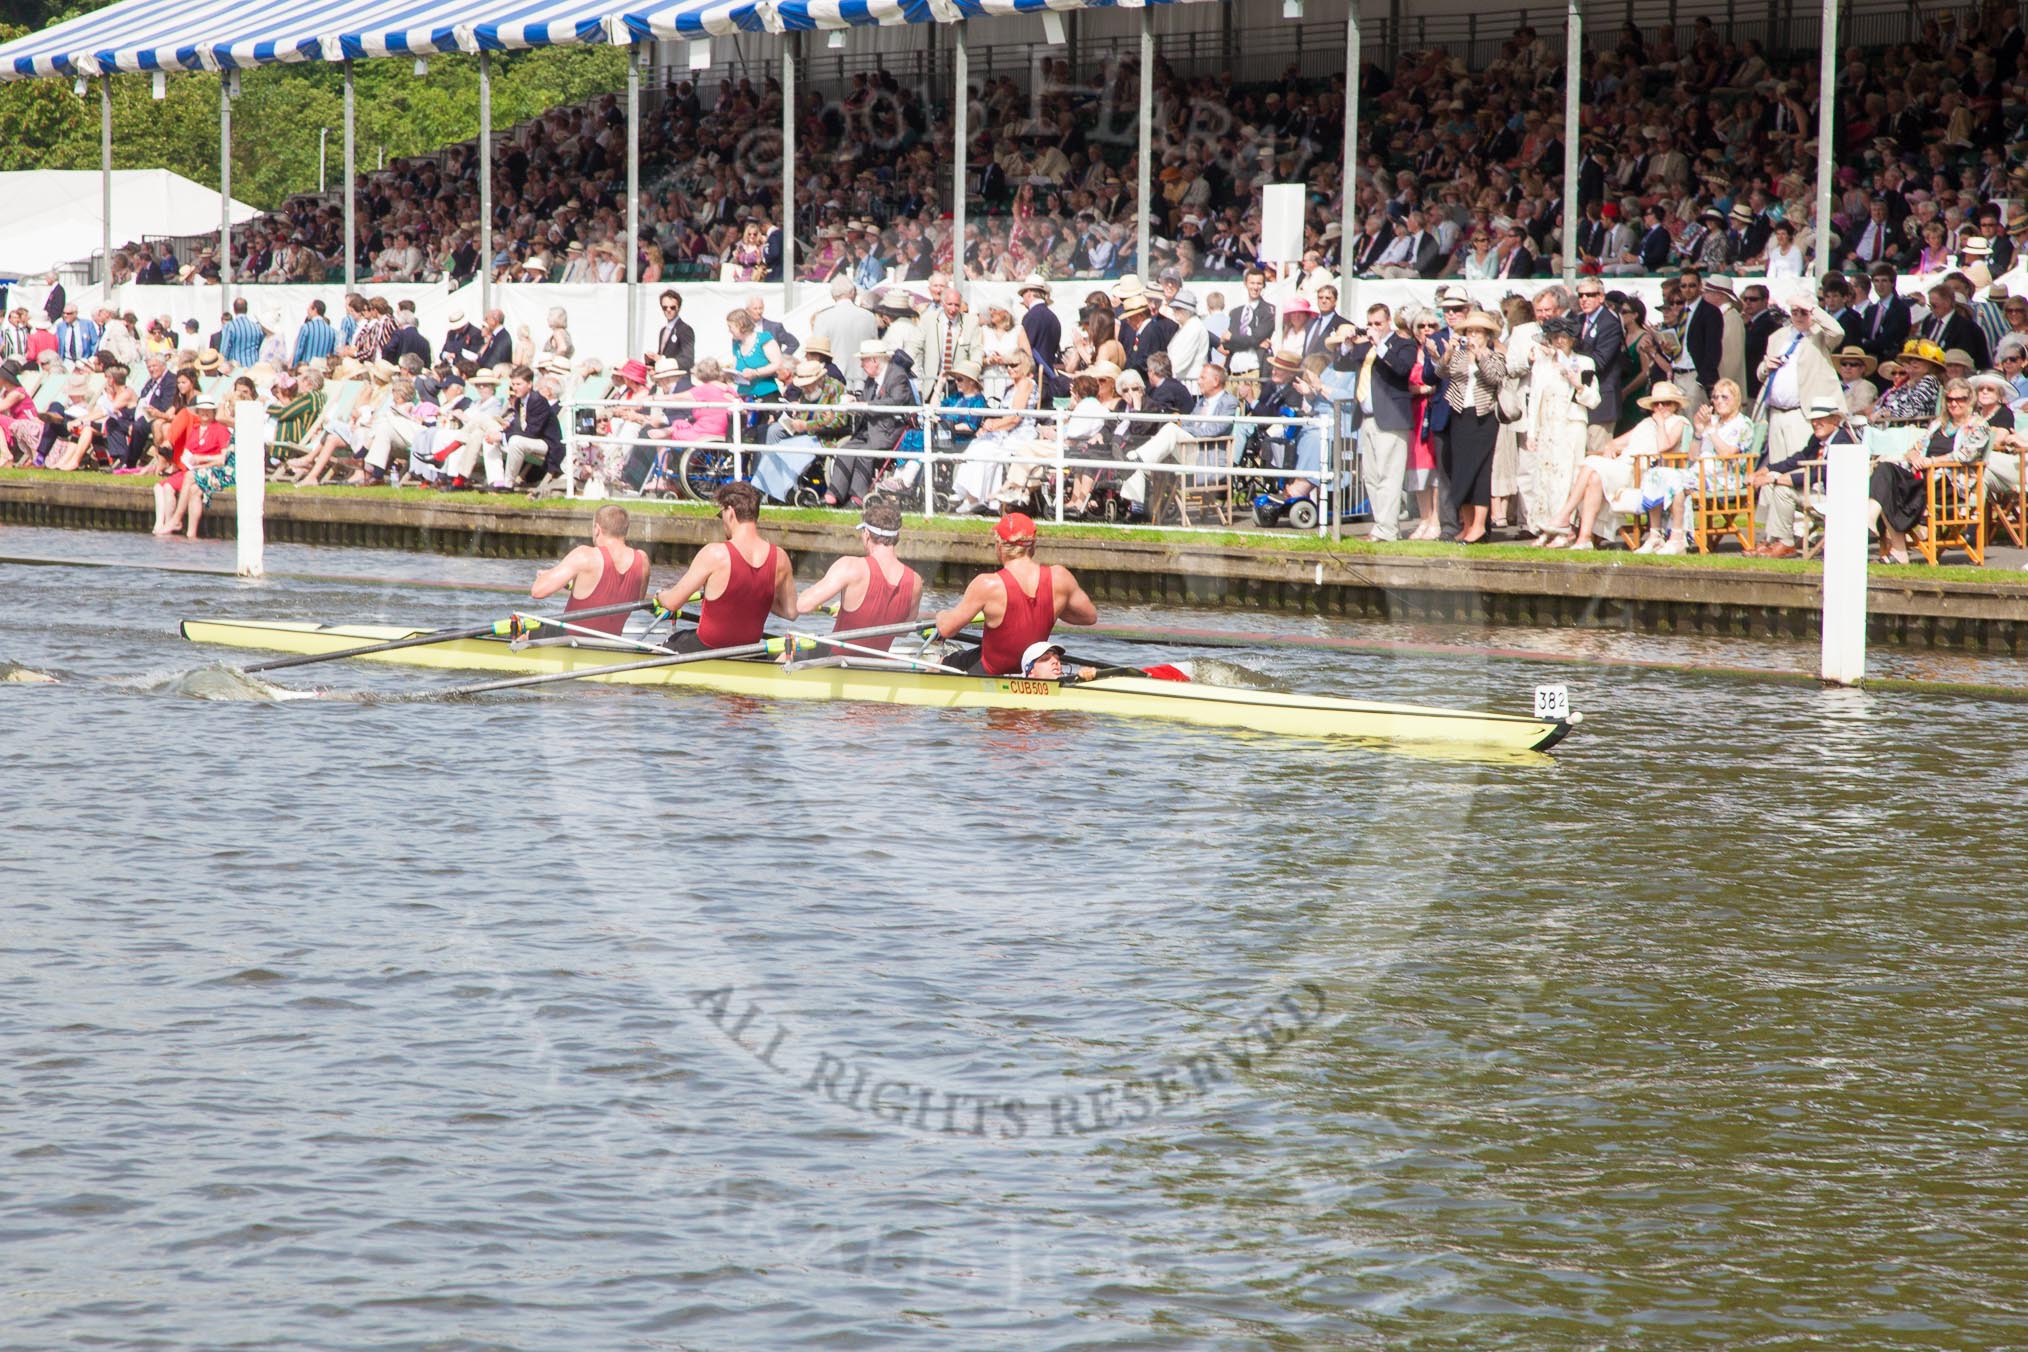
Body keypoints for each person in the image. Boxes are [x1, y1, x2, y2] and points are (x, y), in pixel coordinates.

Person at [931, 512, 1097, 675]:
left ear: (1000, 545)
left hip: (992, 670)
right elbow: (1089, 617)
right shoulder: (1060, 577)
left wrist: (941, 615)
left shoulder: (987, 584)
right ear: (1033, 544)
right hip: (1033, 668)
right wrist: (1053, 609)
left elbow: (946, 630)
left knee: (937, 666)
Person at [1537, 381, 1689, 549]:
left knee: (1590, 463)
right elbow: (1615, 443)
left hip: (1642, 472)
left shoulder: (1679, 422)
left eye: (1665, 403)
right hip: (1623, 465)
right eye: (1656, 403)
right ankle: (1584, 538)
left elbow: (1663, 446)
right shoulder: (1646, 423)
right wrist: (1610, 448)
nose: (1660, 407)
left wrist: (1660, 423)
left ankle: (1564, 516)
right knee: (1594, 477)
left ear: (1675, 405)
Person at [651, 482, 796, 652]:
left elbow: (672, 602)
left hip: (706, 649)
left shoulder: (715, 554)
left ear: (730, 513)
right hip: (748, 652)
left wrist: (660, 594)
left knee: (671, 641)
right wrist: (756, 596)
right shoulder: (780, 558)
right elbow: (791, 612)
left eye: (721, 515)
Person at [1868, 377, 1989, 565]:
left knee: (1891, 488)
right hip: (1923, 479)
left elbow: (1965, 456)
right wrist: (1914, 456)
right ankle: (1877, 526)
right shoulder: (1938, 424)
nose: (1954, 403)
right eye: (1949, 399)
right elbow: (1915, 448)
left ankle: (1889, 541)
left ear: (1970, 400)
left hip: (1950, 483)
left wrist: (1931, 461)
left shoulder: (1979, 426)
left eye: (1960, 399)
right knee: (1885, 470)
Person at [793, 500, 923, 654]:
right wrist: (848, 610)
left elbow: (802, 605)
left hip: (836, 665)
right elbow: (903, 631)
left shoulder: (850, 567)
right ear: (897, 537)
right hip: (874, 666)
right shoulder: (915, 581)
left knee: (789, 649)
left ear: (867, 534)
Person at [1525, 314, 1600, 543]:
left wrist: (1577, 384)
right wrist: (1531, 432)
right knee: (1545, 476)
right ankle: (1546, 527)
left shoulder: (1584, 363)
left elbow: (1593, 399)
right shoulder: (1542, 365)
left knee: (1568, 475)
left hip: (1571, 425)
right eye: (1555, 337)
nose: (1559, 341)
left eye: (1564, 337)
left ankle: (1564, 528)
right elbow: (1535, 398)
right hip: (1548, 425)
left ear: (1573, 339)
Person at [1438, 310, 1509, 544]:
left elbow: (1495, 378)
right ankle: (1467, 525)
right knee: (1461, 471)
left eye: (1478, 332)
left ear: (1487, 335)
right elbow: (1441, 372)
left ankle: (1479, 526)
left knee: (1479, 472)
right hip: (1460, 415)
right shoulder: (1459, 355)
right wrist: (1447, 353)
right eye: (1470, 331)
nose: (1473, 336)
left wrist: (1480, 356)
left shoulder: (1495, 355)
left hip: (1483, 417)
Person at [1750, 396, 1849, 558]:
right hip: (1817, 494)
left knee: (1781, 487)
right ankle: (1774, 540)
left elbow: (1821, 473)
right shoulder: (1818, 440)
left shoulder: (1843, 441)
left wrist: (1776, 479)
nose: (1815, 423)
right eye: (1813, 420)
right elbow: (1798, 459)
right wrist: (1767, 470)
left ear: (1835, 420)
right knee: (1775, 480)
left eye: (1820, 419)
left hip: (1834, 499)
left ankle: (1785, 543)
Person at [530, 504, 651, 637]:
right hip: (610, 644)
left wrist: (546, 575)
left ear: (597, 529)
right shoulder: (642, 560)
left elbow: (537, 591)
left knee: (523, 632)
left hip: (570, 643)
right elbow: (637, 598)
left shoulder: (585, 555)